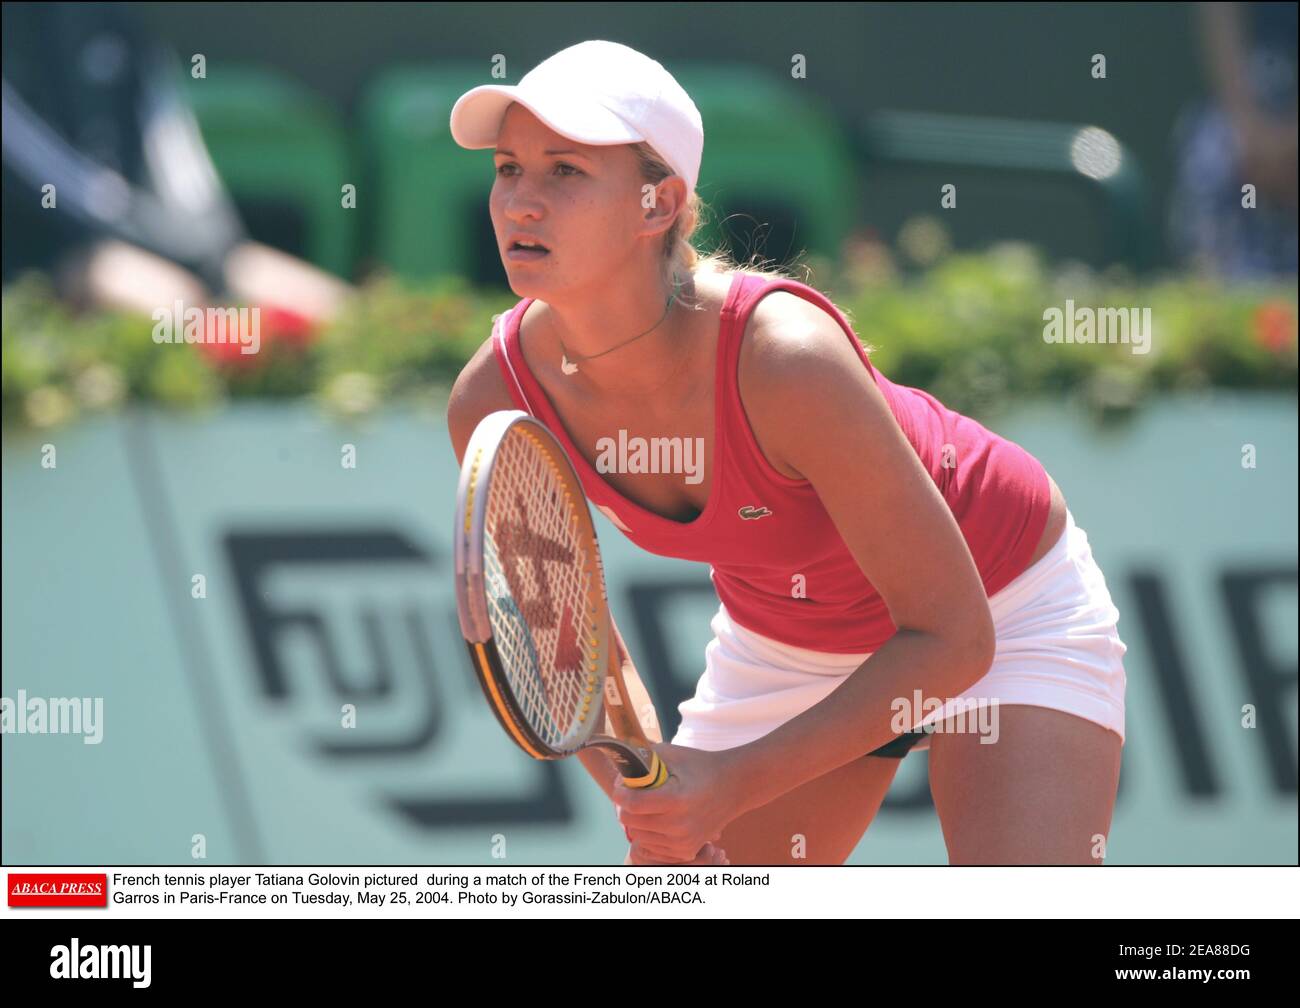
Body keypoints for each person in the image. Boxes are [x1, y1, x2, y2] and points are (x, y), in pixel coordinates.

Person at [446, 40, 1126, 866]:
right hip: (789, 647)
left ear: (658, 204)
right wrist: (667, 800)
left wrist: (727, 784)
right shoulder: (494, 400)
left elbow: (952, 640)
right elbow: (579, 659)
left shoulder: (786, 359)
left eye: (565, 173)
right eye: (509, 168)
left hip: (1000, 608)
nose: (520, 201)